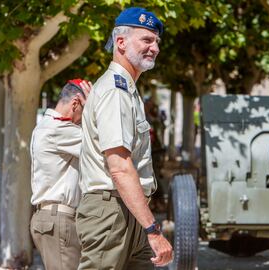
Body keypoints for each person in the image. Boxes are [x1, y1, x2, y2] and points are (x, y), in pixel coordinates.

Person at [76, 7, 173, 270]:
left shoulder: (128, 90)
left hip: (130, 208)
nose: (154, 48)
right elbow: (119, 167)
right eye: (146, 40)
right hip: (110, 211)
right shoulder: (115, 90)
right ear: (121, 42)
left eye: (156, 42)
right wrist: (153, 230)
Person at [30, 79, 91, 270]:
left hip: (53, 217)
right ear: (75, 104)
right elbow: (101, 144)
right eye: (85, 109)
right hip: (58, 217)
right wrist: (95, 113)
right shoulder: (58, 129)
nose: (84, 117)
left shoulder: (49, 126)